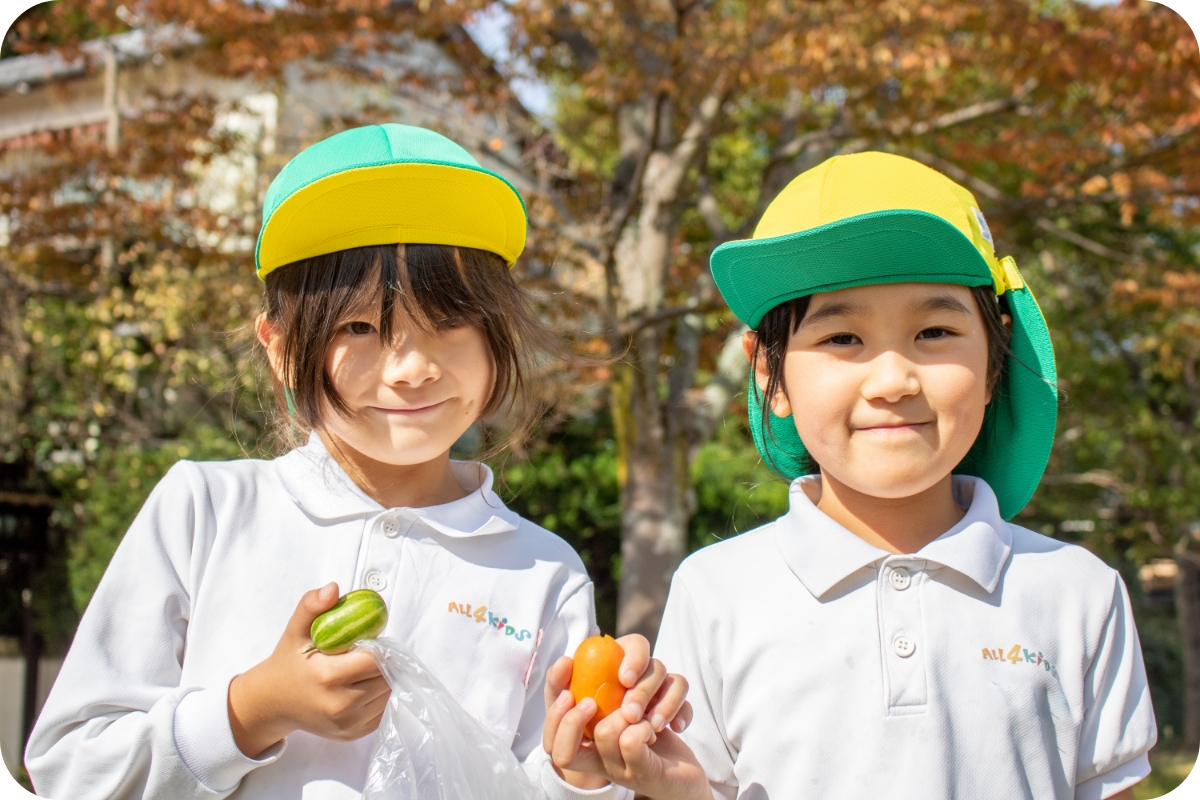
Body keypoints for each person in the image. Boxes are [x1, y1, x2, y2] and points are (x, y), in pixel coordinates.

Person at [25, 123, 689, 800]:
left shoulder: (543, 572)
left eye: (450, 322)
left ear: (499, 333)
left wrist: (582, 768)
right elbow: (68, 768)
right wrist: (251, 711)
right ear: (281, 346)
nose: (413, 370)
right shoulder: (202, 512)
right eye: (361, 328)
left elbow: (537, 784)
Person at [644, 152, 1157, 799]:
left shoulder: (1077, 593)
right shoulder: (715, 592)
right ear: (768, 371)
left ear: (996, 359)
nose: (892, 381)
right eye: (843, 340)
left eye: (934, 331)